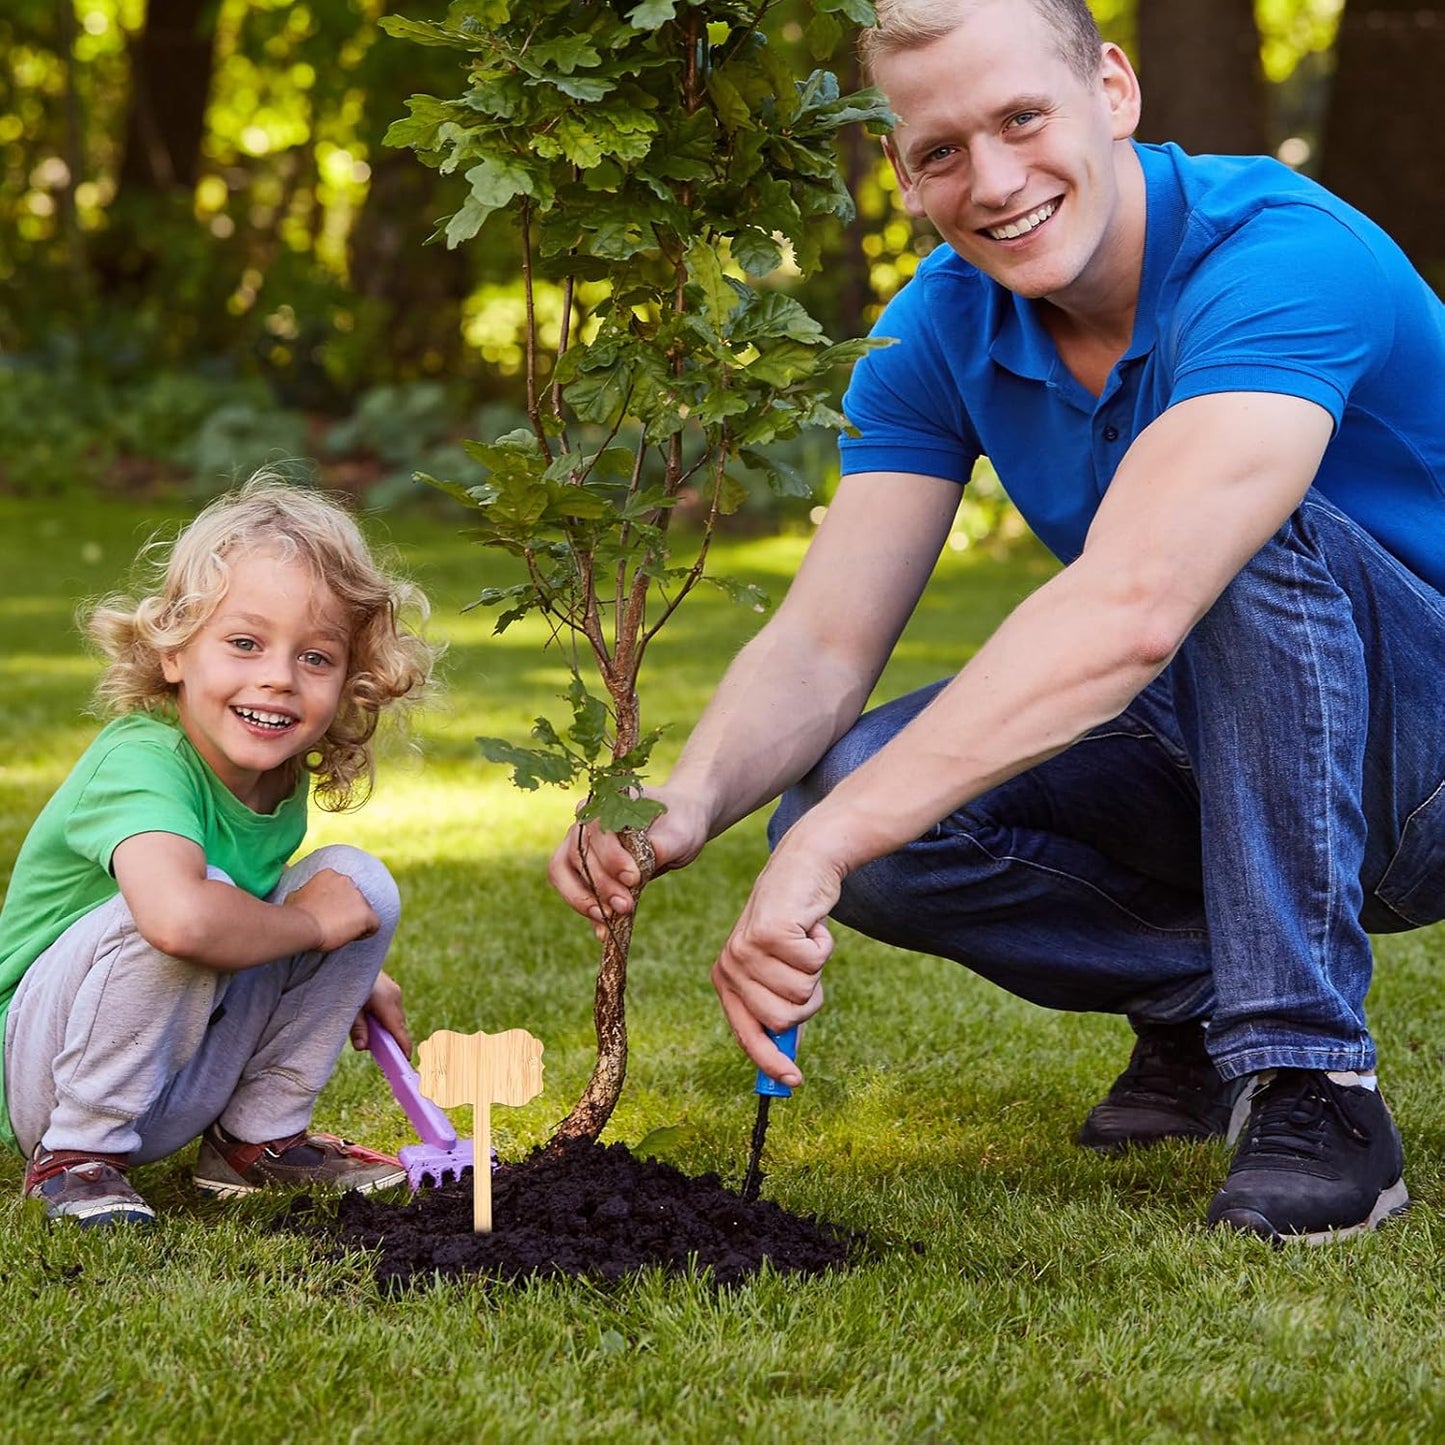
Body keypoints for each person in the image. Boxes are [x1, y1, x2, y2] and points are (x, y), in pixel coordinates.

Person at [551, 0, 1445, 1245]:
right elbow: (823, 640)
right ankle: (1208, 1005)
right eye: (940, 151)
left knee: (1225, 541)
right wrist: (686, 805)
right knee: (854, 803)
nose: (995, 180)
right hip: (1233, 734)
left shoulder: (1280, 255)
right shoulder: (937, 324)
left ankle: (1308, 1073)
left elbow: (1136, 602)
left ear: (1113, 91)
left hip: (1426, 758)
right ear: (903, 171)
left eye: (1022, 118)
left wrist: (814, 855)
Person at [0, 476, 436, 1226]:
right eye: (244, 642)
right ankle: (76, 1157)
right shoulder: (141, 760)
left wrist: (331, 965)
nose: (277, 675)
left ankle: (254, 1139)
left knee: (357, 882)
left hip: (162, 1072)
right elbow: (179, 922)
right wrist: (312, 930)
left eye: (317, 657)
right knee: (202, 893)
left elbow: (253, 916)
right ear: (174, 649)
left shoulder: (276, 777)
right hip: (41, 1075)